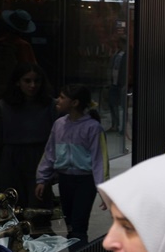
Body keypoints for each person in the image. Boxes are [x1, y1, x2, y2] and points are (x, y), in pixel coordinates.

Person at [35, 84, 109, 242]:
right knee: (69, 225)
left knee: (79, 226)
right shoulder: (59, 124)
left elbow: (99, 160)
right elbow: (50, 153)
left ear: (74, 103)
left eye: (62, 97)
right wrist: (42, 178)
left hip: (85, 182)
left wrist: (103, 189)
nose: (58, 100)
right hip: (65, 179)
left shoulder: (93, 128)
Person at [0, 63, 57, 221]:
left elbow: (57, 137)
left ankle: (39, 242)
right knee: (12, 205)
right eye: (27, 81)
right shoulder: (4, 106)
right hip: (11, 158)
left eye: (37, 81)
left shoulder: (49, 104)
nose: (32, 85)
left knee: (39, 206)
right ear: (18, 82)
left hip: (39, 157)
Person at [107, 36, 127, 133]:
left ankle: (122, 127)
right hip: (114, 82)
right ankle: (115, 124)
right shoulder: (117, 54)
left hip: (121, 83)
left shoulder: (126, 55)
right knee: (112, 104)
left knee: (122, 107)